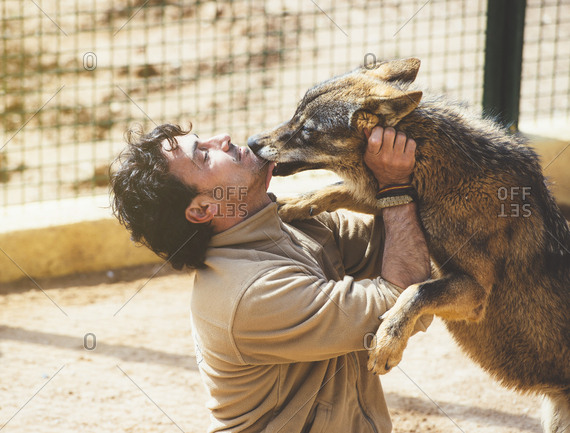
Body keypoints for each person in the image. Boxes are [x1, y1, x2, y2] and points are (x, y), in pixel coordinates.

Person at [111, 123, 431, 433]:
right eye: (204, 156)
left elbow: (403, 245)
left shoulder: (287, 225)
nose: (222, 138)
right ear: (202, 209)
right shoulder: (250, 293)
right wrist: (395, 186)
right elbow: (406, 298)